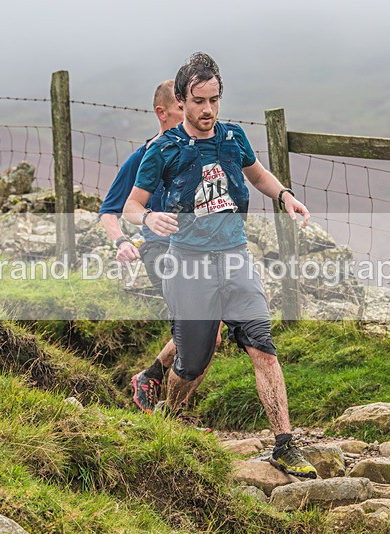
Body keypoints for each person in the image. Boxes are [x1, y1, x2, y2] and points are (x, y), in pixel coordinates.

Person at [123, 52, 317, 478]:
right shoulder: (163, 150)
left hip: (235, 257)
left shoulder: (233, 137)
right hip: (189, 265)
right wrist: (149, 217)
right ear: (181, 99)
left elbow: (258, 175)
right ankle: (170, 418)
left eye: (214, 100)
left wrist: (284, 196)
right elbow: (132, 205)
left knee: (262, 346)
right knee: (191, 362)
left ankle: (284, 443)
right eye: (198, 101)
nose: (208, 110)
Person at [99, 80, 209, 414]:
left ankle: (152, 381)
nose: (192, 114)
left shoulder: (200, 151)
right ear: (163, 113)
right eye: (182, 108)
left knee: (210, 335)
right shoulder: (143, 157)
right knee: (200, 330)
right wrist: (120, 241)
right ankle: (173, 414)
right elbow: (109, 212)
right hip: (160, 250)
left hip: (198, 251)